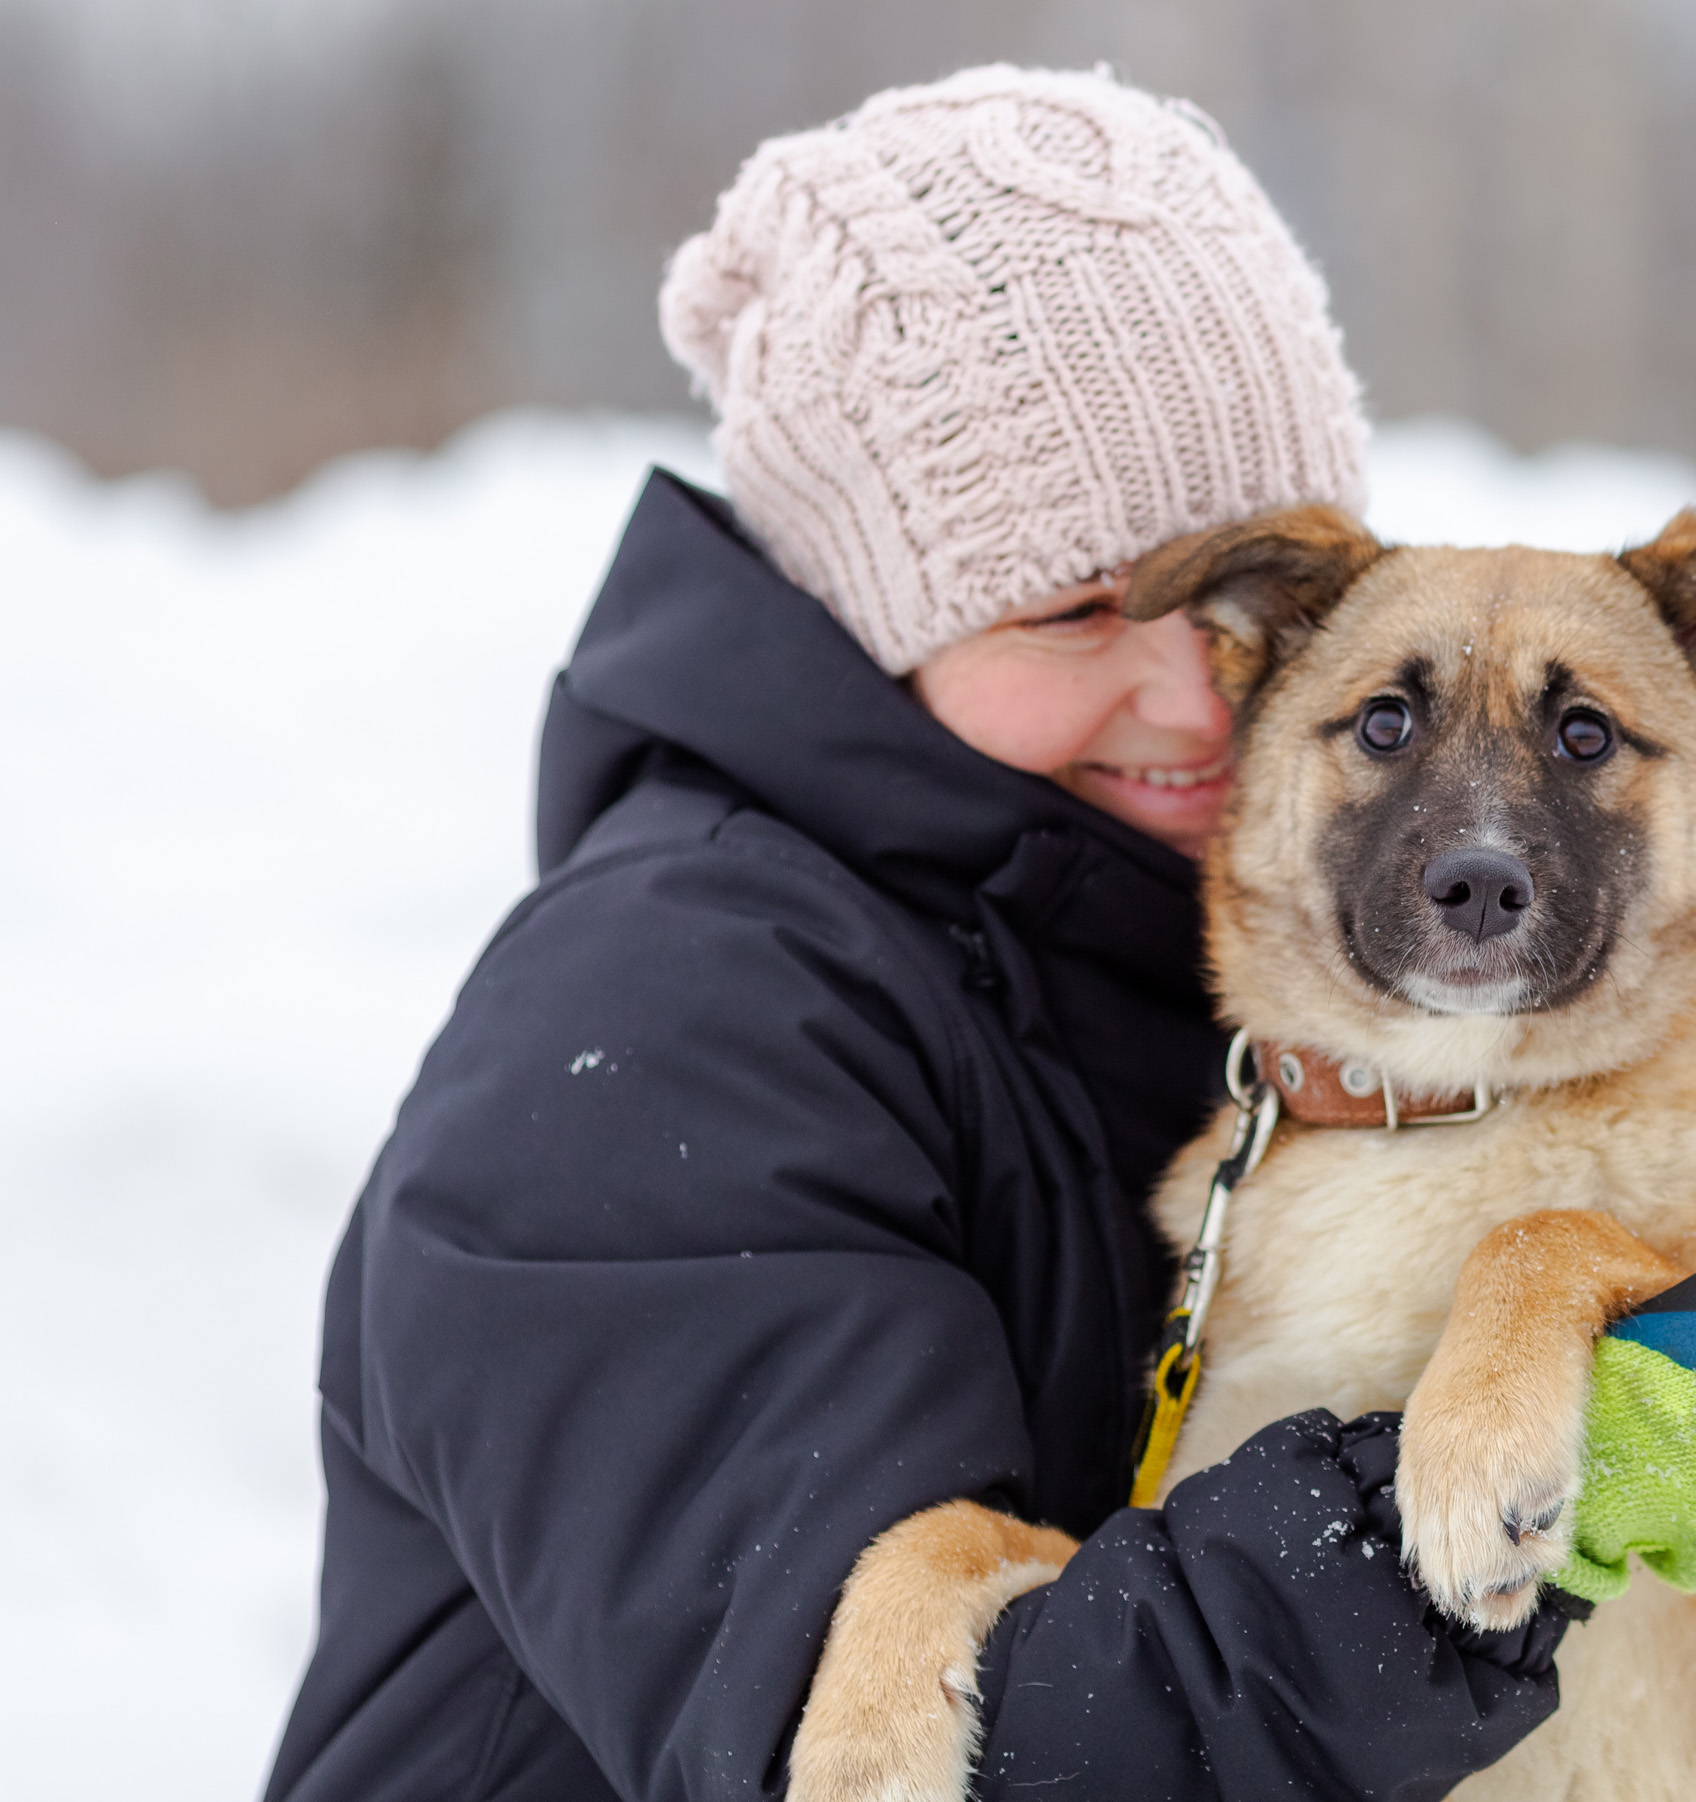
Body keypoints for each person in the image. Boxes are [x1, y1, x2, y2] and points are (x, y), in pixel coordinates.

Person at [262, 66, 1568, 1802]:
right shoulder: (659, 1023)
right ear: (873, 613)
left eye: (1263, 588)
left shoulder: (1206, 945)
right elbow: (943, 1754)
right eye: (1073, 607)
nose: (1200, 688)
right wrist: (1502, 1486)